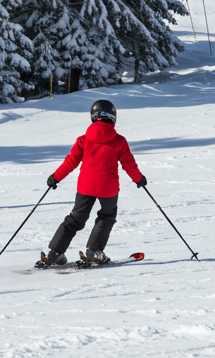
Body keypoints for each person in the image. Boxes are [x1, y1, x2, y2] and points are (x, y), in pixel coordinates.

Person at [37, 100, 147, 268]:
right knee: (106, 216)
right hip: (108, 188)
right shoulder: (119, 141)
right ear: (113, 117)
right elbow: (129, 164)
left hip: (85, 186)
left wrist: (56, 177)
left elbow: (71, 161)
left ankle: (55, 253)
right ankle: (94, 250)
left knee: (75, 219)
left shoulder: (84, 139)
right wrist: (139, 179)